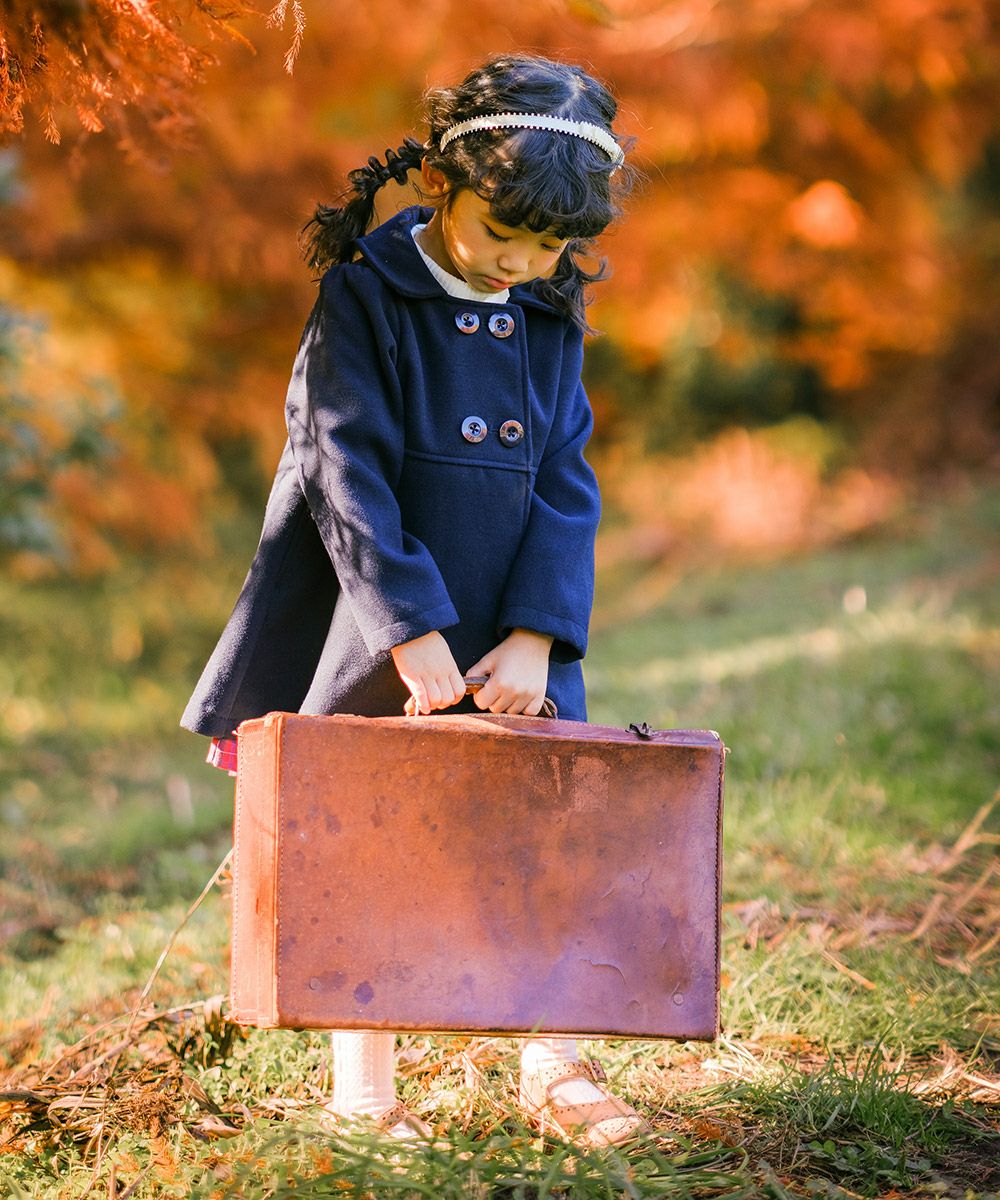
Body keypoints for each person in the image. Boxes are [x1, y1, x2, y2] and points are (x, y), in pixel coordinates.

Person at [182, 53, 644, 1147]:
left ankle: (554, 1065)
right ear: (445, 184)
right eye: (501, 237)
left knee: (538, 834)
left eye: (547, 249)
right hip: (381, 618)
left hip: (510, 630)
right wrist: (409, 626)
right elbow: (344, 467)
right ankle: (364, 1094)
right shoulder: (366, 292)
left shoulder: (547, 307)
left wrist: (537, 632)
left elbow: (569, 476)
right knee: (370, 840)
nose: (518, 266)